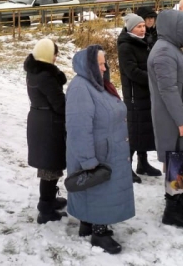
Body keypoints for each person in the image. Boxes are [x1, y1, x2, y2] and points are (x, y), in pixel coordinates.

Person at [65, 45, 134, 255]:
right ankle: (99, 232)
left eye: (105, 63)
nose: (105, 68)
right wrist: (88, 160)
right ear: (89, 66)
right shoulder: (80, 88)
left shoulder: (99, 85)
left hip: (109, 150)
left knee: (98, 191)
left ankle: (87, 223)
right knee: (98, 190)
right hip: (96, 153)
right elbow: (78, 127)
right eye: (100, 64)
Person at [148, 9, 183, 228]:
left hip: (181, 118)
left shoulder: (173, 49)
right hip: (173, 121)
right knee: (175, 163)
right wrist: (182, 121)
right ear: (172, 27)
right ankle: (172, 210)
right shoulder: (163, 53)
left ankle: (181, 202)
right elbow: (168, 90)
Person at [25, 38, 68, 223]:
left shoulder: (35, 72)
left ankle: (49, 200)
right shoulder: (46, 77)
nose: (56, 58)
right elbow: (59, 105)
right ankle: (45, 208)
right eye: (54, 55)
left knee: (48, 165)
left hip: (40, 120)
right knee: (50, 167)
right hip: (49, 124)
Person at [117, 14, 161, 184]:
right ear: (130, 28)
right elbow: (132, 71)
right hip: (135, 95)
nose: (143, 29)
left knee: (145, 130)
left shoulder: (145, 42)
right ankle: (125, 166)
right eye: (139, 26)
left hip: (147, 93)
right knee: (134, 132)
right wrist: (154, 78)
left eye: (144, 26)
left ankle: (143, 163)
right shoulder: (126, 45)